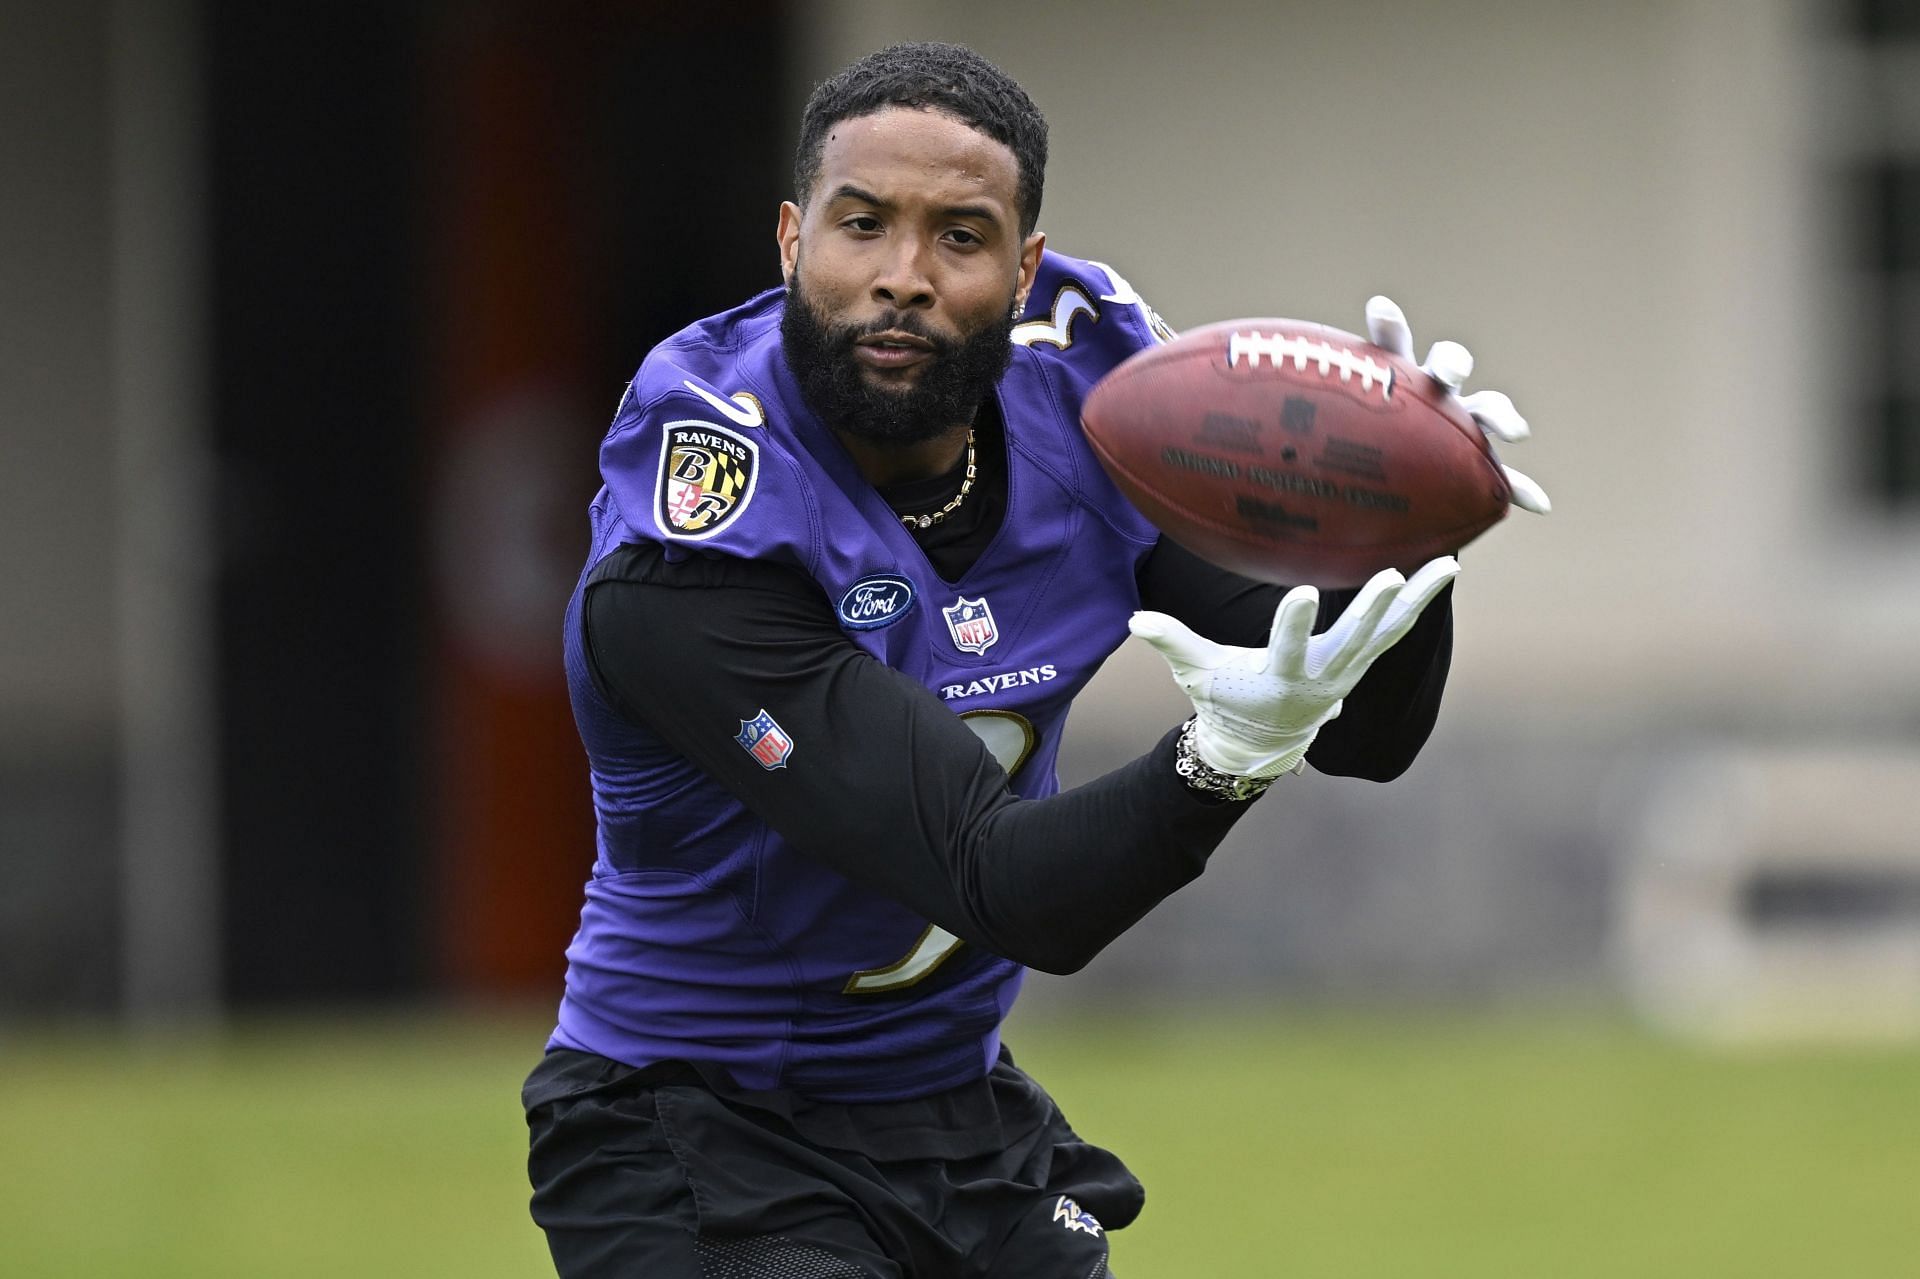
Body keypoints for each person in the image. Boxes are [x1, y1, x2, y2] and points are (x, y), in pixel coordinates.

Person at [522, 41, 1546, 1278]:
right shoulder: (702, 526)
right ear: (791, 241)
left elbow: (1367, 734)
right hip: (697, 1123)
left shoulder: (1092, 404)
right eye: (862, 226)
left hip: (956, 1114)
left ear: (1024, 271)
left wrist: (1400, 523)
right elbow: (1000, 882)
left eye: (959, 236)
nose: (902, 277)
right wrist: (1221, 760)